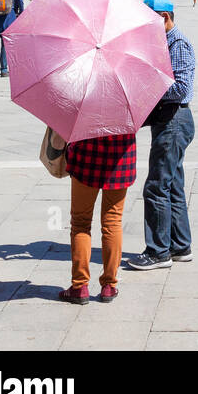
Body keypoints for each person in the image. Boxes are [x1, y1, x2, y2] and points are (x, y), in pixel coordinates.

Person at [128, 0, 196, 270]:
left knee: (156, 186)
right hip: (169, 120)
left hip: (174, 120)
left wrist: (147, 83)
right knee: (173, 185)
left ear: (164, 17)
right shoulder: (162, 43)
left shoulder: (177, 43)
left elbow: (180, 87)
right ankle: (180, 246)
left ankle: (158, 252)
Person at [59, 130, 137, 304]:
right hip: (120, 157)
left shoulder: (85, 101)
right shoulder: (127, 102)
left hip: (86, 157)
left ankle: (79, 286)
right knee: (113, 221)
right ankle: (109, 285)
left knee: (80, 223)